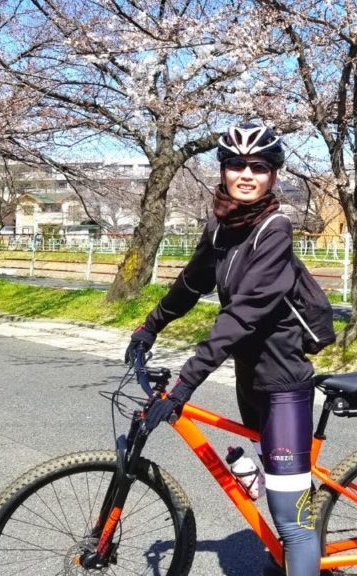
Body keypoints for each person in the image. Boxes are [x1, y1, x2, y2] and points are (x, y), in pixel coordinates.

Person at [125, 122, 320, 576]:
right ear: (224, 170)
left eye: (258, 166)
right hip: (249, 378)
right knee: (273, 488)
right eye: (236, 164)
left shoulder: (274, 229)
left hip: (283, 384)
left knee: (293, 524)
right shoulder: (220, 225)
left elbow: (243, 314)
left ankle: (301, 550)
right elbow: (191, 283)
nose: (245, 174)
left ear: (273, 175)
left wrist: (184, 385)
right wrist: (148, 328)